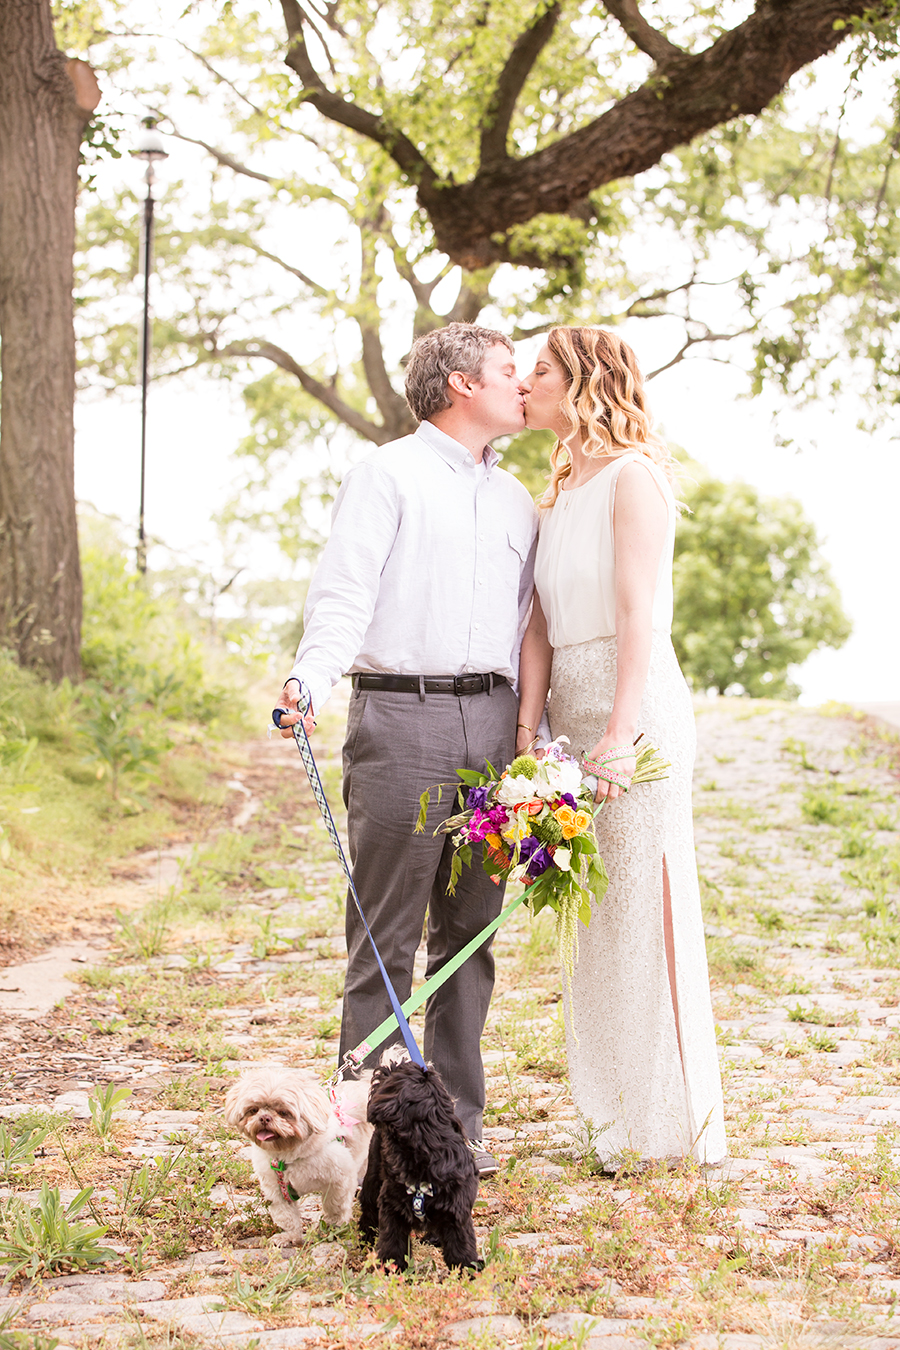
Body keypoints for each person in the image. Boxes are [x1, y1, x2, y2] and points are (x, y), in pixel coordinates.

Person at [277, 323, 538, 1175]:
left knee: (470, 934)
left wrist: (537, 741)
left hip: (493, 724)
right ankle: (375, 1133)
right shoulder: (385, 474)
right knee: (384, 939)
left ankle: (455, 1126)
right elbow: (344, 593)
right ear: (461, 383)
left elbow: (530, 626)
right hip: (401, 717)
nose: (523, 384)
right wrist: (310, 679)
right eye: (508, 370)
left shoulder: (518, 499)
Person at [515, 327, 726, 1169]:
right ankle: (609, 1119)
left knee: (644, 908)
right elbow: (536, 626)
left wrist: (619, 735)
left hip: (632, 712)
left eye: (538, 370)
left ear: (584, 381)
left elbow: (642, 615)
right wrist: (529, 735)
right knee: (593, 918)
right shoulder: (557, 492)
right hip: (569, 711)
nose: (523, 382)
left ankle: (668, 1125)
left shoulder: (634, 477)